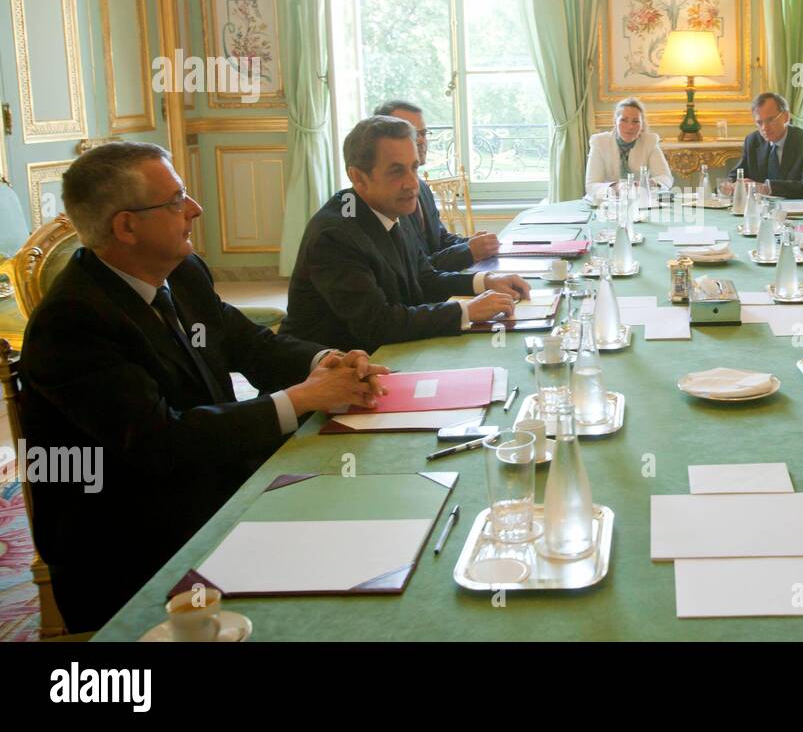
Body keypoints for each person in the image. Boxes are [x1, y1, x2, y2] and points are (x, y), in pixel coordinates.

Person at [19, 142, 387, 631]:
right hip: (132, 540)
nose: (194, 209)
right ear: (126, 227)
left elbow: (250, 344)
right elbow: (159, 441)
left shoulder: (183, 271)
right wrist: (300, 398)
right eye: (175, 201)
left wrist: (327, 361)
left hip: (210, 483)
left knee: (363, 505)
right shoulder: (72, 321)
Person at [281, 117, 529, 352]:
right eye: (396, 171)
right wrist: (466, 311)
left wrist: (485, 282)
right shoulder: (335, 235)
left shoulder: (391, 207)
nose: (412, 184)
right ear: (357, 177)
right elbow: (377, 324)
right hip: (327, 378)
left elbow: (424, 280)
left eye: (414, 168)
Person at [374, 99, 500, 270]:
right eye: (411, 133)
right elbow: (417, 270)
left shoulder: (422, 187)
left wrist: (470, 243)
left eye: (423, 133)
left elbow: (439, 238)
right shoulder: (387, 198)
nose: (420, 141)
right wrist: (468, 251)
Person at [718, 92, 803, 198]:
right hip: (759, 210)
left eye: (770, 120)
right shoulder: (753, 141)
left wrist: (766, 188)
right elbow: (735, 176)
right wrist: (728, 186)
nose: (764, 128)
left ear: (786, 116)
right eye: (759, 122)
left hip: (792, 210)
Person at [584, 96, 672, 197]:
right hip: (607, 203)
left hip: (640, 201)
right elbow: (591, 186)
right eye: (624, 120)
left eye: (635, 121)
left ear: (642, 125)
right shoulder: (599, 142)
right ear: (615, 121)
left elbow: (666, 178)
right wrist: (617, 187)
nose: (630, 126)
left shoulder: (650, 141)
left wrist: (647, 184)